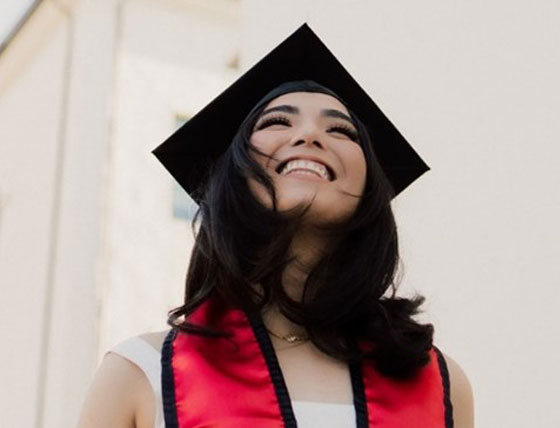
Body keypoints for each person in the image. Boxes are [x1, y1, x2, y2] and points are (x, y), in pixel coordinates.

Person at [78, 24, 474, 428]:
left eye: (340, 130)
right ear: (231, 178)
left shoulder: (439, 385)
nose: (309, 135)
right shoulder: (140, 376)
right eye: (277, 122)